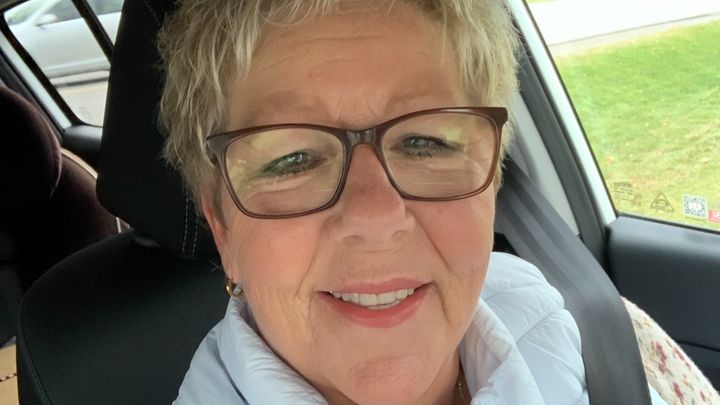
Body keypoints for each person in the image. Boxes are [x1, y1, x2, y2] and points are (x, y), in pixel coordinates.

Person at [157, 0, 673, 404]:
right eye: (293, 160)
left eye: (425, 143)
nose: (377, 217)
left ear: (492, 180)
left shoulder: (542, 313)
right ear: (222, 228)